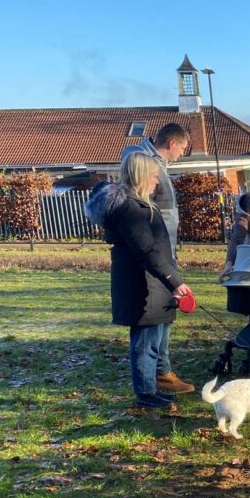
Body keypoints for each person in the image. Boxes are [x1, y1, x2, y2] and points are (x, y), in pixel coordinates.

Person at [85, 153, 193, 410]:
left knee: (155, 342)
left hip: (154, 286)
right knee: (145, 344)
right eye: (154, 175)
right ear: (142, 176)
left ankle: (154, 387)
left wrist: (171, 282)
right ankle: (146, 394)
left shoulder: (140, 205)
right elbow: (147, 251)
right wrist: (175, 281)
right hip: (142, 286)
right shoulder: (131, 210)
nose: (157, 180)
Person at [119, 122, 194, 395]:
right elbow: (145, 248)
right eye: (182, 149)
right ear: (172, 143)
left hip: (162, 255)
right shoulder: (139, 166)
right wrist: (172, 276)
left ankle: (161, 374)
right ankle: (151, 388)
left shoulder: (152, 171)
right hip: (153, 262)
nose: (181, 155)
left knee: (162, 321)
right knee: (149, 330)